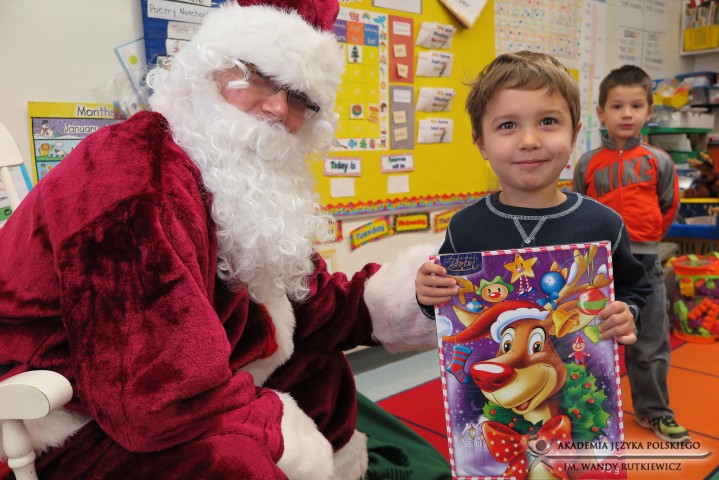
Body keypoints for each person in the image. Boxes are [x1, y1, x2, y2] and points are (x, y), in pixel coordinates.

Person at [0, 2, 440, 478]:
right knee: (233, 462)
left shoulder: (243, 185)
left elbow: (310, 304)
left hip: (169, 382)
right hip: (61, 412)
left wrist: (411, 297)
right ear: (208, 69)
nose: (278, 108)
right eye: (260, 77)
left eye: (299, 97)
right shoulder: (132, 171)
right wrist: (280, 433)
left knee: (322, 371)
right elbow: (150, 389)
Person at [416, 51, 651, 350]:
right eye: (507, 125)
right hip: (496, 371)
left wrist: (627, 313)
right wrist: (427, 294)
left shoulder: (604, 223)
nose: (529, 141)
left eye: (548, 121)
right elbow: (446, 304)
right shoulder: (465, 226)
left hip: (579, 370)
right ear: (482, 143)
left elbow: (634, 290)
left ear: (574, 134)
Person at [573, 65, 687, 442]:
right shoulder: (588, 162)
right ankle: (587, 412)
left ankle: (656, 411)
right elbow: (579, 207)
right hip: (597, 268)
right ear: (600, 112)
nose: (626, 114)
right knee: (590, 342)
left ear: (648, 112)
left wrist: (647, 239)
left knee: (649, 343)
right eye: (617, 106)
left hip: (645, 262)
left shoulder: (659, 160)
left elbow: (668, 205)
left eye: (636, 106)